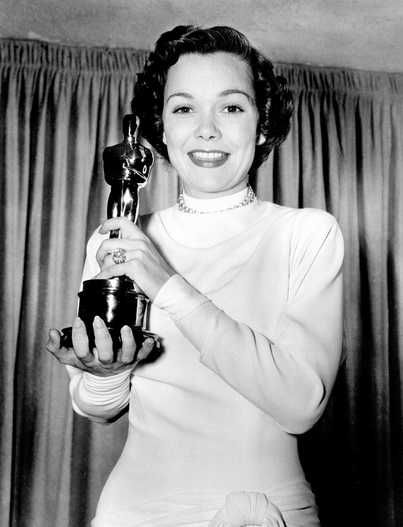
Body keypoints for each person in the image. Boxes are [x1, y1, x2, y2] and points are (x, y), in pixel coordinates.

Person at [47, 25, 344, 527]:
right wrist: (104, 374)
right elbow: (97, 407)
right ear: (161, 128)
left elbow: (300, 404)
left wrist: (168, 286)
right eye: (184, 108)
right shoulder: (117, 238)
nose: (207, 129)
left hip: (266, 510)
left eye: (231, 107)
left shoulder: (307, 234)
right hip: (133, 513)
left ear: (263, 125)